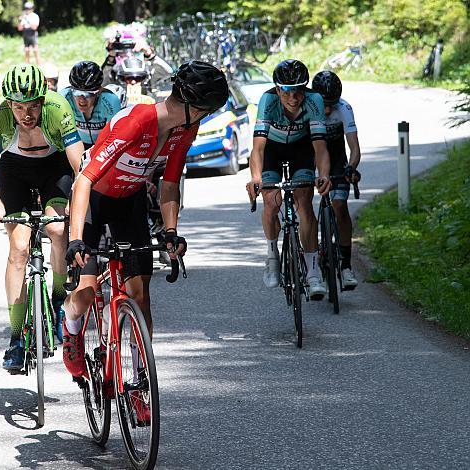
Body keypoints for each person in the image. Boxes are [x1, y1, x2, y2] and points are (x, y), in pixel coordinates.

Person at [60, 61, 229, 384]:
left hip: (131, 202)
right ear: (194, 105)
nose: (208, 115)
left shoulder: (186, 129)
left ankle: (140, 379)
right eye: (208, 109)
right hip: (94, 199)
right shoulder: (137, 120)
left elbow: (169, 183)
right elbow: (83, 181)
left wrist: (170, 231)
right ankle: (70, 326)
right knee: (85, 294)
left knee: (140, 294)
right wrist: (76, 239)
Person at [0, 64, 84, 372]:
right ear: (8, 103)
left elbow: (79, 166)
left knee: (58, 231)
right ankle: (15, 338)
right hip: (15, 170)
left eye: (33, 105)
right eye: (18, 107)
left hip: (54, 166)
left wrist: (83, 199)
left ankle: (58, 301)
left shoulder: (58, 108)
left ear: (43, 100)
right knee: (20, 248)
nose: (26, 114)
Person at [246, 59, 332, 300]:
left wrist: (323, 175)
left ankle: (313, 274)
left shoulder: (314, 101)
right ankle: (272, 256)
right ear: (277, 89)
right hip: (272, 149)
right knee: (271, 203)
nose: (293, 98)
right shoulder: (268, 101)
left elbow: (320, 147)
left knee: (304, 202)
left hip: (301, 149)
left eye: (298, 91)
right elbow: (258, 148)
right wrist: (255, 178)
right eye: (287, 91)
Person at [311, 70, 361, 290]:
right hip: (313, 157)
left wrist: (351, 167)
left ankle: (346, 265)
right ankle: (312, 263)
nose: (328, 110)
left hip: (338, 159)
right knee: (303, 207)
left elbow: (354, 147)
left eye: (332, 104)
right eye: (324, 105)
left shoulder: (344, 108)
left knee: (340, 206)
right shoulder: (308, 108)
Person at [60, 61, 123, 150]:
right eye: (77, 92)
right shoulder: (64, 97)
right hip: (76, 143)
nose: (82, 99)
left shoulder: (111, 101)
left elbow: (113, 137)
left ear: (99, 91)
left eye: (88, 94)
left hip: (102, 145)